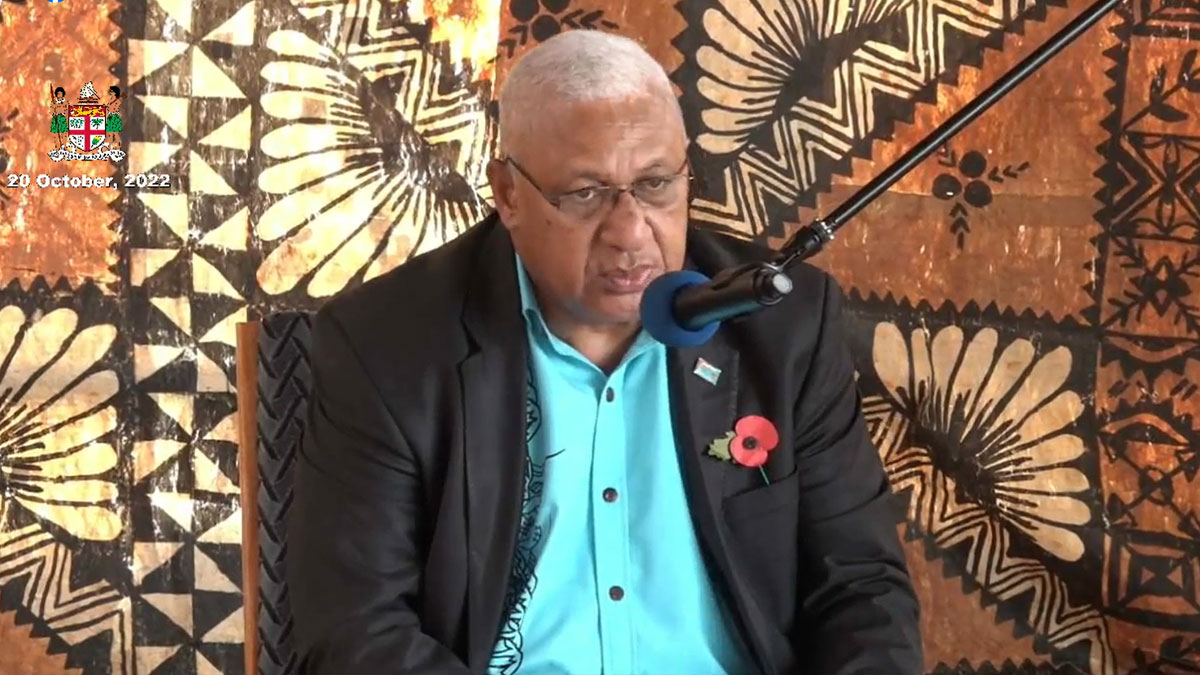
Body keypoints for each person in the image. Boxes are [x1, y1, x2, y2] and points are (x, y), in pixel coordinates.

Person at [287, 29, 922, 675]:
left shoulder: (782, 324)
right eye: (585, 193)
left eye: (655, 184)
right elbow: (354, 631)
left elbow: (861, 587)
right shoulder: (386, 344)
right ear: (508, 193)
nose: (630, 232)